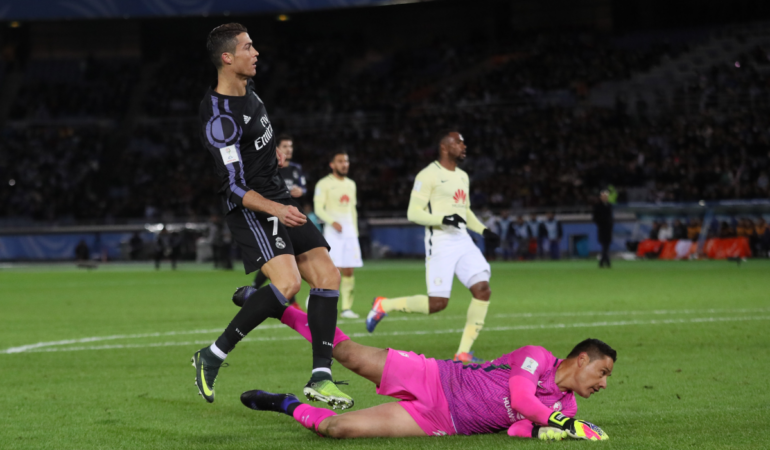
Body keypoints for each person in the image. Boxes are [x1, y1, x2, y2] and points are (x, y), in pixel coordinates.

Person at [194, 23, 352, 408]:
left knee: (328, 276)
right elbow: (232, 185)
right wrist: (277, 207)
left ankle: (321, 377)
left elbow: (256, 146)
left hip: (279, 196)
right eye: (248, 47)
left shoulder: (249, 91)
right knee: (288, 283)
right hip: (253, 207)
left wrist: (272, 162)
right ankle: (212, 355)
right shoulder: (219, 118)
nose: (256, 52)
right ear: (227, 58)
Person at [241, 306, 613, 441]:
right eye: (602, 371)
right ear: (581, 359)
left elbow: (516, 425)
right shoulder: (536, 358)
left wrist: (551, 430)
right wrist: (559, 422)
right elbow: (520, 399)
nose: (603, 382)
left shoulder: (567, 407)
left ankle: (286, 404)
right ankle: (280, 309)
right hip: (436, 377)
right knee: (349, 354)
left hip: (440, 419)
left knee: (339, 429)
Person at [366, 131, 500, 363]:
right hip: (440, 241)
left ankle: (463, 353)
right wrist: (443, 219)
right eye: (459, 142)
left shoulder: (463, 176)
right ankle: (384, 304)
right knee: (438, 303)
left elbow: (464, 211)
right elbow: (413, 213)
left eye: (463, 142)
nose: (463, 146)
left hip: (462, 240)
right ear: (445, 147)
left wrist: (483, 231)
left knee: (482, 289)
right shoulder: (428, 175)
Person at [251, 135, 307, 309]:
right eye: (285, 146)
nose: (289, 149)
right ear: (277, 148)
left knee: (284, 257)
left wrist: (301, 190)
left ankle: (254, 290)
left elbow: (303, 187)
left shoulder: (296, 169)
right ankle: (291, 301)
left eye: (290, 146)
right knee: (279, 256)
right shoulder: (271, 167)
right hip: (274, 216)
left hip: (291, 215)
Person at [313, 151, 363, 319]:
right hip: (333, 232)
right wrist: (331, 221)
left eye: (346, 161)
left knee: (349, 270)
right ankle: (318, 300)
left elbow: (353, 210)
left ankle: (347, 308)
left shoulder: (351, 184)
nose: (344, 164)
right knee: (333, 271)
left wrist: (354, 231)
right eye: (340, 161)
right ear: (332, 165)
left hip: (349, 233)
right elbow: (318, 208)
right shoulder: (324, 184)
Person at [592, 191, 613, 268]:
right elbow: (595, 218)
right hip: (602, 229)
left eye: (606, 197)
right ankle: (606, 262)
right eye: (604, 197)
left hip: (608, 229)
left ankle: (603, 261)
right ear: (601, 198)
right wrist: (601, 224)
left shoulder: (609, 205)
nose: (605, 198)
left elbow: (610, 217)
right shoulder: (598, 206)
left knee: (606, 246)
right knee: (605, 246)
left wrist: (610, 225)